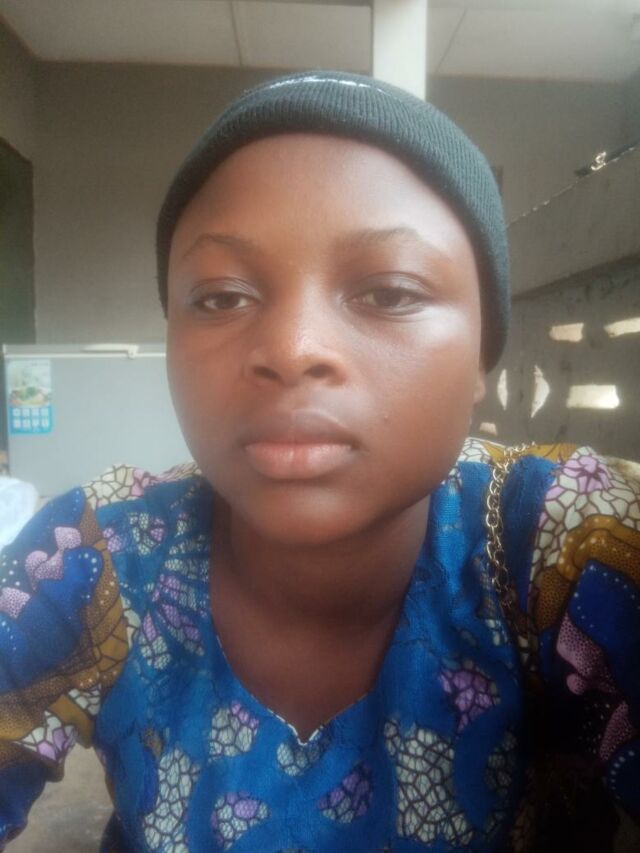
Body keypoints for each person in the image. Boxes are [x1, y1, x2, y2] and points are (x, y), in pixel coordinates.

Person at [0, 71, 638, 853]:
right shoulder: (101, 553)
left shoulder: (559, 542)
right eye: (222, 296)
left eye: (390, 292)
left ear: (483, 353)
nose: (293, 347)